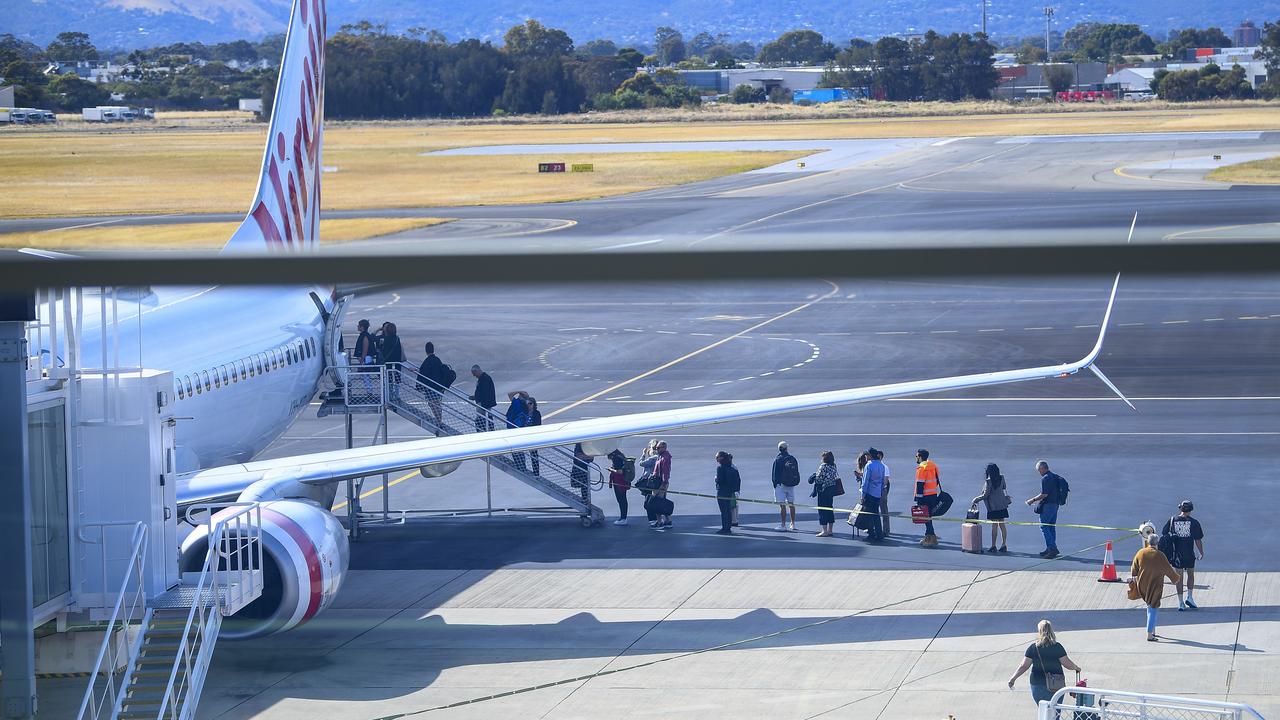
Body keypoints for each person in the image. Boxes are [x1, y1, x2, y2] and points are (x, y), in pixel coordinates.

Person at [1007, 620, 1082, 707]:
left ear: (1039, 632)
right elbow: (1067, 663)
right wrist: (1076, 668)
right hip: (1056, 683)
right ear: (1051, 631)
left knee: (1043, 710)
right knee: (1055, 710)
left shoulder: (1033, 648)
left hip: (1037, 683)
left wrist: (1013, 679)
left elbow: (1024, 666)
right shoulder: (1057, 647)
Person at [1129, 533, 1182, 641]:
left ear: (1148, 542)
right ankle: (1149, 634)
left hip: (1142, 585)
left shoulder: (1141, 553)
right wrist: (1176, 579)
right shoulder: (1160, 555)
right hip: (1155, 585)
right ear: (1157, 543)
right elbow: (1169, 570)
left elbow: (1134, 570)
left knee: (1149, 607)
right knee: (1153, 607)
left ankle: (1153, 631)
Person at [1162, 501, 1205, 611]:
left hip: (1177, 555)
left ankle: (1180, 602)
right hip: (1189, 554)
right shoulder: (1194, 522)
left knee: (1179, 578)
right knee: (1191, 575)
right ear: (1190, 510)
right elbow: (1198, 539)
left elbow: (1164, 532)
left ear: (1180, 509)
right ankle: (1190, 597)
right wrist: (1201, 552)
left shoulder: (1172, 520)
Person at [1025, 460, 1064, 559]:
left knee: (1044, 526)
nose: (1039, 472)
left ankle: (1052, 548)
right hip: (1056, 504)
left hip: (1048, 505)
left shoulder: (1045, 479)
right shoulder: (1054, 476)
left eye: (1039, 470)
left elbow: (1044, 494)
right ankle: (1050, 547)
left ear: (1043, 468)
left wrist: (1032, 500)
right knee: (1051, 527)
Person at [973, 462, 1011, 553]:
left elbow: (985, 495)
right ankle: (1004, 544)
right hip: (1002, 505)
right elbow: (1004, 487)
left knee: (994, 525)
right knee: (1002, 524)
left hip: (993, 506)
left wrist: (976, 499)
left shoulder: (988, 481)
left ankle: (993, 545)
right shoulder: (1002, 477)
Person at [808, 451, 841, 537]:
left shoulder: (823, 466)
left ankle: (824, 530)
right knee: (830, 509)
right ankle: (830, 530)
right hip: (831, 490)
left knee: (822, 510)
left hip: (823, 490)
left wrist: (814, 477)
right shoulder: (834, 465)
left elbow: (819, 479)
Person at [914, 449, 942, 547]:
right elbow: (937, 480)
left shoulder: (921, 468)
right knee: (928, 517)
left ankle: (932, 538)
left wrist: (918, 499)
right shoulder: (933, 466)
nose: (916, 458)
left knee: (926, 518)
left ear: (921, 457)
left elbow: (920, 485)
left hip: (924, 497)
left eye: (917, 456)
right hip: (933, 495)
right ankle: (929, 536)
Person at [415, 341, 447, 426]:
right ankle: (439, 420)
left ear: (426, 351)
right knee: (437, 403)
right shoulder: (437, 360)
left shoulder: (427, 362)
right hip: (438, 386)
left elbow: (423, 373)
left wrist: (419, 386)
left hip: (430, 387)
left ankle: (438, 420)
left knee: (432, 403)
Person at [772, 441, 801, 532]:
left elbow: (775, 474)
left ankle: (783, 524)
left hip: (781, 485)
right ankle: (793, 524)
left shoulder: (778, 459)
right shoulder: (791, 458)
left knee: (782, 505)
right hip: (790, 484)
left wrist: (775, 484)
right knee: (791, 504)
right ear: (786, 448)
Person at [860, 447, 887, 542]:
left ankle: (871, 534)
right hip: (877, 494)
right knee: (876, 514)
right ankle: (879, 533)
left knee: (868, 514)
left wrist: (862, 495)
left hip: (870, 493)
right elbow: (883, 482)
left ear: (870, 456)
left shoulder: (869, 465)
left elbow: (865, 481)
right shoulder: (881, 465)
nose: (865, 457)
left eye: (866, 455)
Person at [714, 451, 741, 535]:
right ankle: (728, 526)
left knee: (723, 511)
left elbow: (720, 481)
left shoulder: (720, 468)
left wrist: (716, 479)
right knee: (728, 510)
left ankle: (725, 527)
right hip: (729, 492)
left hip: (722, 492)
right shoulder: (732, 468)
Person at [505, 390, 531, 470]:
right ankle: (522, 465)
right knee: (519, 448)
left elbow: (509, 394)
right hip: (519, 429)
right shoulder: (526, 405)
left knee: (514, 449)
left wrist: (518, 391)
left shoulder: (517, 403)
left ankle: (519, 464)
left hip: (512, 428)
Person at [637, 439, 661, 527]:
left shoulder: (652, 458)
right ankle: (659, 519)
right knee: (657, 500)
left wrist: (643, 454)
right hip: (658, 481)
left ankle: (652, 520)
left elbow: (641, 463)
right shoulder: (660, 457)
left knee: (649, 501)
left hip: (649, 481)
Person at [651, 441, 673, 529]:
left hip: (660, 483)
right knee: (662, 501)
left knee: (657, 502)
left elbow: (665, 471)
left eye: (658, 448)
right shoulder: (661, 456)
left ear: (664, 448)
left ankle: (659, 522)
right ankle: (668, 520)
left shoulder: (665, 458)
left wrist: (664, 483)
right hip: (659, 481)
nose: (657, 449)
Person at [606, 449, 631, 525]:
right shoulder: (620, 456)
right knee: (622, 499)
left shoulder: (616, 458)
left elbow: (620, 471)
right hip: (622, 481)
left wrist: (611, 469)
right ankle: (623, 517)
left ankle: (623, 518)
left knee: (621, 499)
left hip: (619, 482)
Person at [469, 365, 496, 431]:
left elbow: (485, 392)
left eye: (474, 374)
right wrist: (475, 397)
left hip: (484, 404)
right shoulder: (484, 378)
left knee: (482, 418)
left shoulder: (484, 379)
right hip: (484, 403)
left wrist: (477, 398)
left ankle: (483, 429)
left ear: (477, 371)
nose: (474, 376)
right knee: (485, 417)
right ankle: (487, 429)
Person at [570, 443, 594, 508]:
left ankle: (585, 500)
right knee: (581, 485)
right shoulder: (579, 445)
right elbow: (577, 457)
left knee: (585, 486)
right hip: (578, 468)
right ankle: (584, 501)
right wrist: (586, 456)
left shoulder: (588, 446)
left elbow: (591, 458)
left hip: (584, 468)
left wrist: (584, 457)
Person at [526, 396, 542, 475]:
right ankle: (522, 466)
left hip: (533, 436)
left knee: (534, 455)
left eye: (530, 403)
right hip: (525, 435)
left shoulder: (536, 413)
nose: (529, 405)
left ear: (534, 404)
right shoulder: (524, 412)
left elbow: (538, 424)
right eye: (527, 404)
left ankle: (536, 472)